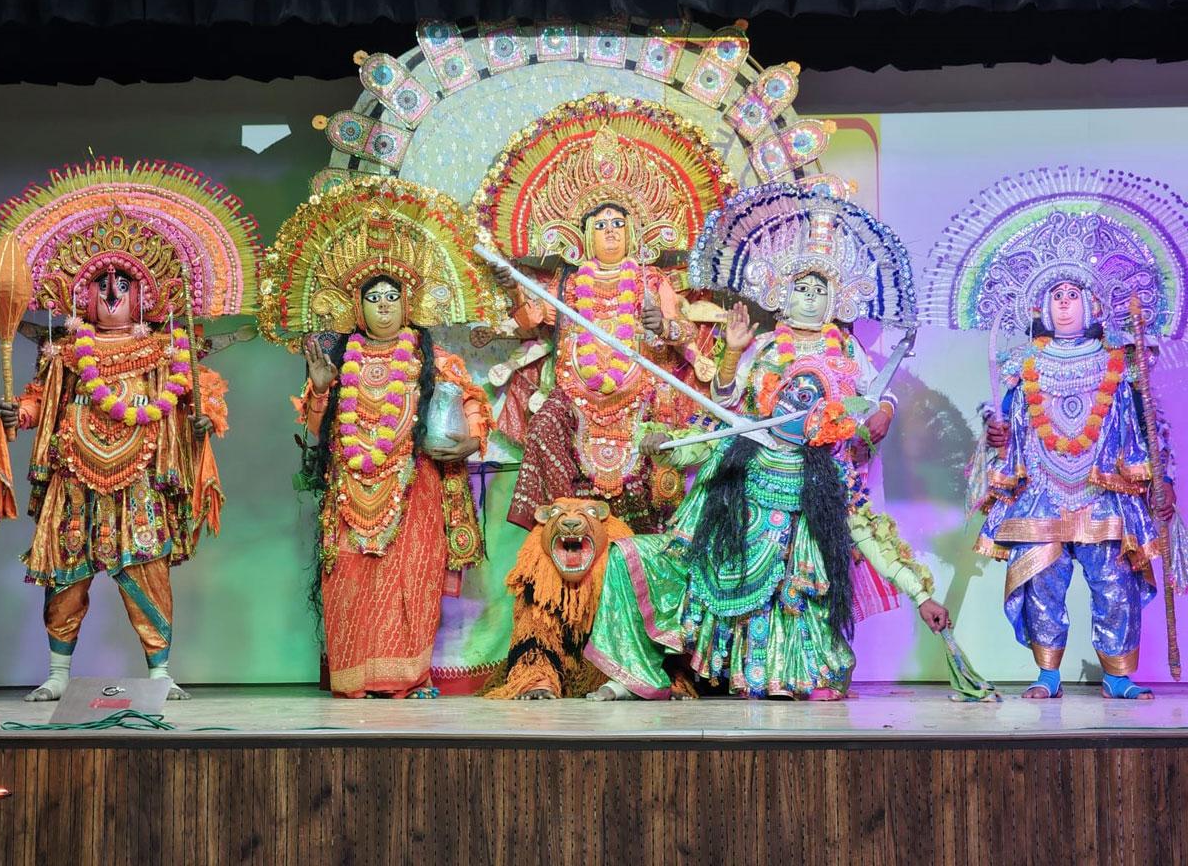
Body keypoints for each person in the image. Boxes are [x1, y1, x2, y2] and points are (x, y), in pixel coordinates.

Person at [584, 186, 950, 699]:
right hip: (749, 482)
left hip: (814, 491)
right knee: (643, 558)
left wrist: (920, 593)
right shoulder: (763, 353)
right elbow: (722, 407)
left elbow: (874, 414)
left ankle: (790, 674)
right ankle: (639, 672)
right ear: (782, 294)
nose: (810, 298)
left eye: (820, 290)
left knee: (803, 587)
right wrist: (725, 363)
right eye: (801, 288)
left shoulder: (845, 353)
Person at [0, 159, 261, 701]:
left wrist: (204, 419)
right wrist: (19, 414)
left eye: (125, 282)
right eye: (101, 282)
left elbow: (200, 398)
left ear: (146, 294)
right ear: (81, 295)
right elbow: (41, 400)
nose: (112, 292)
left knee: (148, 574)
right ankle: (58, 675)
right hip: (75, 477)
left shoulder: (166, 351)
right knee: (65, 573)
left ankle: (160, 675)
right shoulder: (66, 352)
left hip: (141, 479)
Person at [262, 179, 503, 698]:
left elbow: (473, 403)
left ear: (408, 303)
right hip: (350, 489)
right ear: (357, 305)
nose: (385, 307)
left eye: (394, 297)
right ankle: (356, 678)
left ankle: (407, 678)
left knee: (411, 581)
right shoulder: (338, 364)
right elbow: (315, 426)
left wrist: (469, 443)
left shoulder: (431, 359)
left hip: (415, 489)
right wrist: (321, 390)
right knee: (349, 581)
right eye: (374, 298)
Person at [475, 97, 736, 534]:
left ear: (632, 233)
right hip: (576, 397)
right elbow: (531, 321)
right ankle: (563, 520)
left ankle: (637, 547)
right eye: (600, 225)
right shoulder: (567, 284)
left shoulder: (651, 280)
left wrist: (663, 326)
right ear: (584, 236)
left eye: (618, 224)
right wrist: (510, 288)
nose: (610, 231)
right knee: (543, 426)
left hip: (638, 398)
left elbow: (683, 332)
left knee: (650, 469)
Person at [979, 280, 1175, 700]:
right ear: (1042, 308)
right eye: (1057, 296)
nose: (1065, 304)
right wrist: (995, 432)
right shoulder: (1023, 363)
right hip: (1042, 490)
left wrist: (1166, 480)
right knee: (1042, 583)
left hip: (1104, 490)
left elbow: (1150, 425)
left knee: (1115, 584)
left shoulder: (1120, 362)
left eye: (1073, 295)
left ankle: (1118, 676)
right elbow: (1004, 421)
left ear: (1092, 306)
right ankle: (1047, 674)